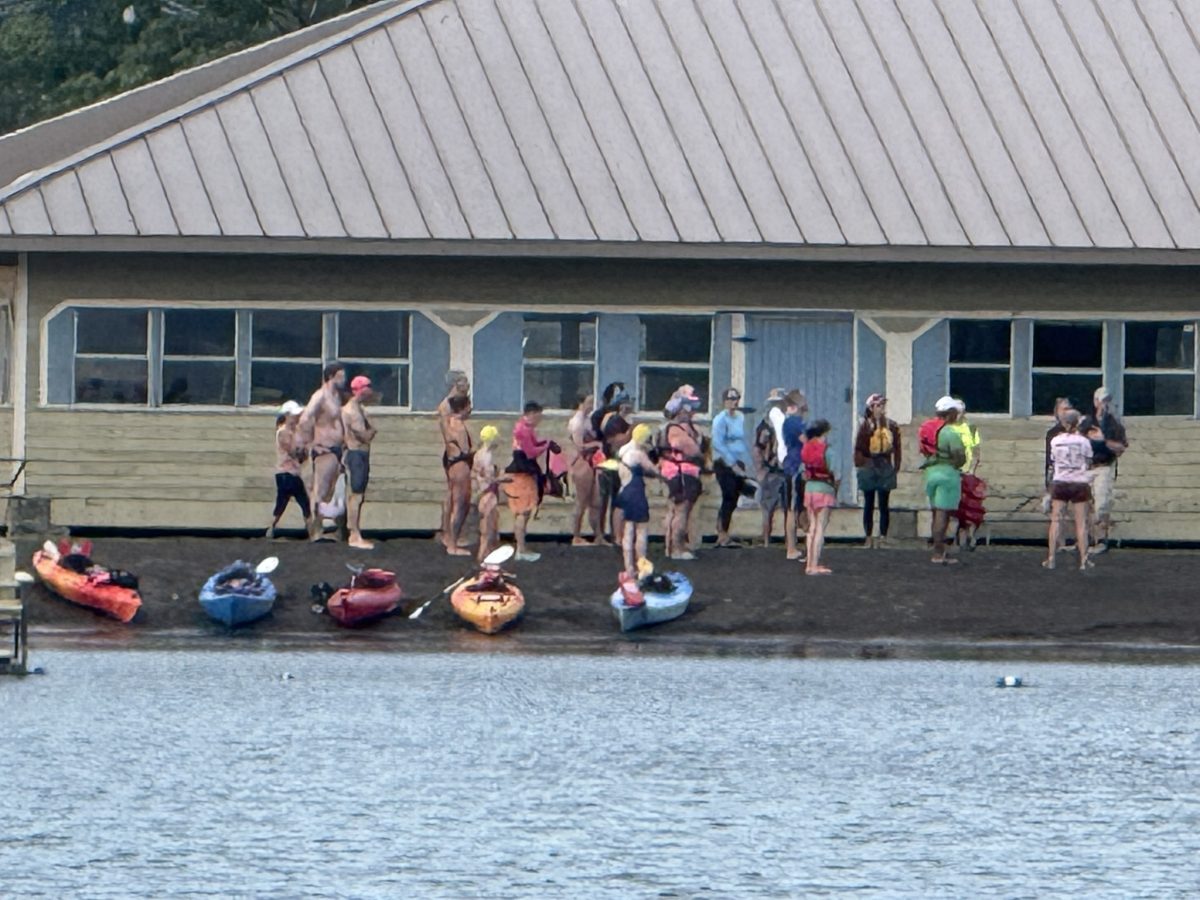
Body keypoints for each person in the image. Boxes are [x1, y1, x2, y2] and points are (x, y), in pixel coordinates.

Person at [298, 362, 347, 542]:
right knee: (320, 490)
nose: (344, 380)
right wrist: (311, 443)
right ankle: (316, 531)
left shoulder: (338, 397)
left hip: (337, 449)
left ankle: (329, 529)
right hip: (324, 449)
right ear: (331, 377)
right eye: (341, 376)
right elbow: (305, 418)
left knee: (331, 492)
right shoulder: (320, 396)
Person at [504, 402, 555, 562]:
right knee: (523, 512)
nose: (540, 420)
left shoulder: (524, 428)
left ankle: (522, 547)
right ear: (531, 414)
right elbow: (530, 452)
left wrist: (543, 443)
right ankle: (521, 549)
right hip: (522, 475)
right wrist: (546, 446)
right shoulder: (523, 430)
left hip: (524, 472)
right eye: (538, 416)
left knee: (524, 513)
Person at [1079, 386, 1128, 555]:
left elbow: (1121, 448)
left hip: (1103, 467)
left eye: (1108, 401)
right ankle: (1086, 540)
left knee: (1101, 505)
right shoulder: (1086, 422)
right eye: (1102, 401)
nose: (1105, 405)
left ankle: (1101, 540)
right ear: (1095, 402)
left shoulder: (1114, 425)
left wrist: (1103, 440)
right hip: (1086, 466)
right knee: (1084, 505)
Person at [1045, 409, 1094, 572]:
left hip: (1061, 481)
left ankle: (1051, 558)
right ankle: (1083, 560)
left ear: (1064, 422)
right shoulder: (1084, 441)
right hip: (1079, 482)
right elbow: (1088, 461)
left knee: (1056, 520)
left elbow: (1053, 461)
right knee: (1081, 523)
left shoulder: (1055, 440)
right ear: (1077, 423)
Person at [660, 386, 705, 560]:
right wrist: (699, 454)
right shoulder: (677, 429)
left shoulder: (677, 427)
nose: (692, 411)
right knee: (681, 510)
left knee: (675, 510)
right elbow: (690, 448)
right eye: (689, 407)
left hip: (679, 472)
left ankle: (670, 546)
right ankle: (676, 548)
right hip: (682, 473)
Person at [921, 396, 967, 564]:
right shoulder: (948, 432)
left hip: (930, 471)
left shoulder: (927, 428)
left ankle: (936, 550)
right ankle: (939, 553)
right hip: (947, 473)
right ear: (949, 414)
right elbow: (959, 455)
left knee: (935, 512)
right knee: (943, 514)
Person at [615, 423, 663, 578]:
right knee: (641, 530)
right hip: (636, 492)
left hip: (624, 490)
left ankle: (628, 568)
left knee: (628, 530)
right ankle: (641, 565)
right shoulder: (638, 454)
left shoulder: (623, 450)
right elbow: (655, 471)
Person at [853, 393, 901, 548]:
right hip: (869, 465)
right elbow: (859, 447)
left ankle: (883, 536)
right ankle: (868, 536)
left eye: (882, 405)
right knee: (868, 503)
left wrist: (896, 467)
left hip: (885, 465)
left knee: (884, 504)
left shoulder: (892, 426)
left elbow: (897, 447)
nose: (881, 409)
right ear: (871, 408)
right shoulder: (865, 425)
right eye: (878, 405)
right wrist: (862, 464)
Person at [711, 386, 754, 548]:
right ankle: (721, 533)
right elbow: (718, 443)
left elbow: (742, 441)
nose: (734, 402)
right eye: (730, 399)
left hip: (738, 460)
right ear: (724, 402)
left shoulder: (739, 418)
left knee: (735, 497)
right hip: (724, 462)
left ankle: (725, 531)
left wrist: (744, 463)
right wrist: (732, 463)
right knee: (728, 495)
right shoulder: (720, 419)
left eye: (736, 399)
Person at [592, 383, 632, 544]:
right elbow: (617, 441)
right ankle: (602, 534)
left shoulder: (615, 418)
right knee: (604, 499)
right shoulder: (611, 419)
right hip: (608, 461)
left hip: (613, 461)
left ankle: (613, 533)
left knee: (614, 499)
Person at [341, 375, 378, 550]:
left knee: (359, 495)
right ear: (361, 389)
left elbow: (371, 432)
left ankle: (354, 531)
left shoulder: (361, 409)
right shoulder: (351, 411)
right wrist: (371, 430)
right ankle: (354, 534)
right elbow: (365, 435)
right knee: (355, 495)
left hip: (362, 453)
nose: (371, 391)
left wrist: (370, 430)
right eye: (368, 387)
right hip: (355, 453)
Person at [266, 400, 310, 538]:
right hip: (286, 472)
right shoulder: (283, 432)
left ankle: (270, 528)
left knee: (283, 503)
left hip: (292, 472)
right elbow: (293, 451)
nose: (297, 417)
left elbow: (302, 456)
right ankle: (312, 530)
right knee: (303, 502)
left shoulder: (294, 432)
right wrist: (301, 450)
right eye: (294, 415)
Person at [437, 370, 471, 545]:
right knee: (455, 496)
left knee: (455, 496)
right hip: (454, 454)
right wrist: (456, 452)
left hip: (458, 452)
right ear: (457, 384)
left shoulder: (462, 401)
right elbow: (447, 433)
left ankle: (453, 533)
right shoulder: (445, 407)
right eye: (465, 383)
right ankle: (447, 534)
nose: (468, 387)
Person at [801, 419, 839, 575]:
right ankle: (814, 565)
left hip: (809, 489)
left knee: (811, 528)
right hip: (824, 490)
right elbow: (836, 475)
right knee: (820, 529)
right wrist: (836, 490)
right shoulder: (828, 451)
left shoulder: (807, 449)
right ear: (825, 433)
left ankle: (809, 564)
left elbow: (803, 472)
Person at [752, 388, 788, 547]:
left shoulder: (788, 424)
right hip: (771, 471)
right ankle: (766, 540)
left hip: (786, 470)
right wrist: (760, 469)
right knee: (768, 507)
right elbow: (757, 449)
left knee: (789, 507)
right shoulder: (764, 427)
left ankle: (789, 540)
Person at [568, 394, 603, 546]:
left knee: (596, 501)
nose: (591, 406)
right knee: (582, 501)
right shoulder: (577, 422)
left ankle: (598, 536)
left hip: (592, 462)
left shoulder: (587, 420)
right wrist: (596, 443)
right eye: (588, 402)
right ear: (581, 403)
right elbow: (579, 446)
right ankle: (576, 536)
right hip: (582, 462)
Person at [949, 399, 985, 551]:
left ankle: (970, 536)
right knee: (957, 507)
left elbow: (976, 450)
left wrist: (972, 468)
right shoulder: (948, 429)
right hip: (954, 473)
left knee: (971, 506)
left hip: (968, 473)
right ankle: (959, 537)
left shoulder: (971, 428)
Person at [441, 394, 474, 556]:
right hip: (460, 466)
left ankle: (449, 538)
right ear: (464, 408)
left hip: (451, 464)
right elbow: (466, 451)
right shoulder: (459, 426)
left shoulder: (448, 422)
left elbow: (442, 408)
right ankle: (453, 545)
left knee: (454, 503)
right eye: (469, 406)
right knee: (461, 505)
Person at [1043, 397, 1075, 554]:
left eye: (1068, 408)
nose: (1066, 412)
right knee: (1058, 512)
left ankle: (1080, 541)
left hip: (1076, 476)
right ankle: (1060, 543)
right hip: (1058, 476)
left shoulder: (1079, 432)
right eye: (1063, 409)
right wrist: (1048, 483)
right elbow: (1050, 459)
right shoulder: (1053, 433)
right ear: (1057, 412)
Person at [781, 390, 810, 561]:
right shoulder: (792, 422)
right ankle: (791, 548)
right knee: (792, 509)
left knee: (803, 508)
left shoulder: (799, 421)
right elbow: (806, 440)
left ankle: (807, 546)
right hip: (794, 467)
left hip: (801, 467)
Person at [472, 425, 503, 563]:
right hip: (488, 493)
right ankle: (483, 560)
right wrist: (502, 478)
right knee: (488, 532)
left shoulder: (478, 454)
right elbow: (489, 479)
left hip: (482, 493)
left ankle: (486, 559)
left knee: (488, 530)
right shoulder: (487, 457)